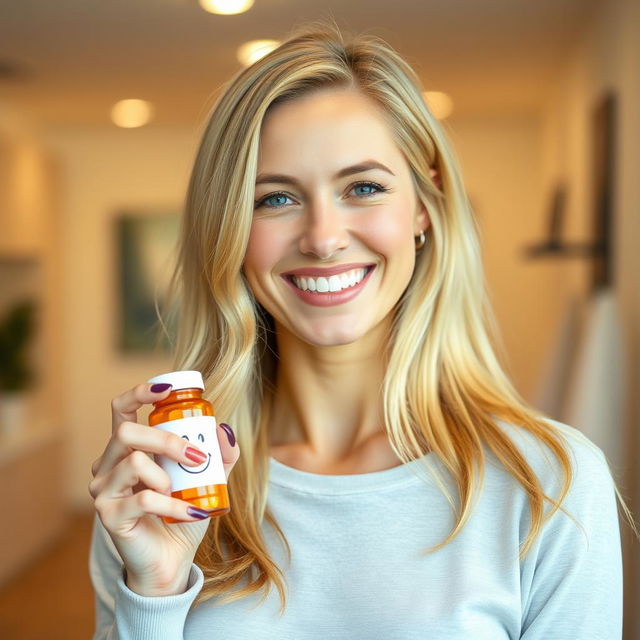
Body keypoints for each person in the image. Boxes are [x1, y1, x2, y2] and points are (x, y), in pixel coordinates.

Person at [88, 21, 635, 639]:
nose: (323, 237)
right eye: (274, 198)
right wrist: (154, 596)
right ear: (231, 230)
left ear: (424, 208)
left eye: (364, 188)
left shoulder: (549, 483)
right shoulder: (159, 487)